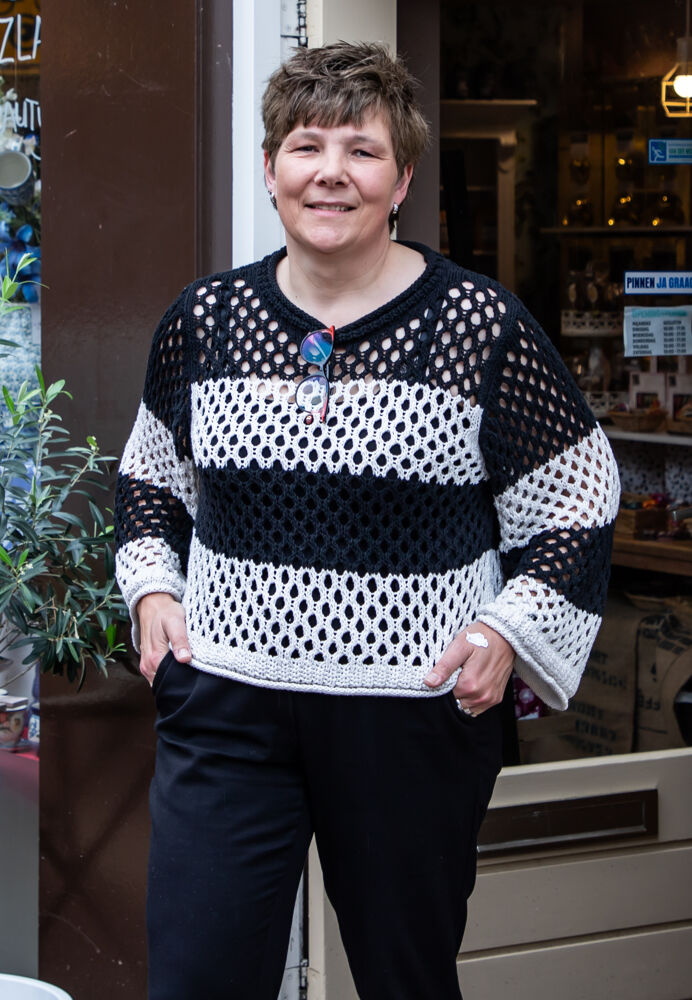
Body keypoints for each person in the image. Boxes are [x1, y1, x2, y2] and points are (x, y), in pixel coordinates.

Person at [113, 41, 619, 1000]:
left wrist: (509, 630)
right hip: (227, 705)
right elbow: (150, 476)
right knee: (197, 980)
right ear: (270, 171)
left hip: (411, 712)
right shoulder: (205, 321)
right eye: (307, 147)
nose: (331, 173)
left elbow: (579, 491)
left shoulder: (480, 328)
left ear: (402, 180)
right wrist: (151, 588)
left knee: (404, 979)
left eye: (363, 150)